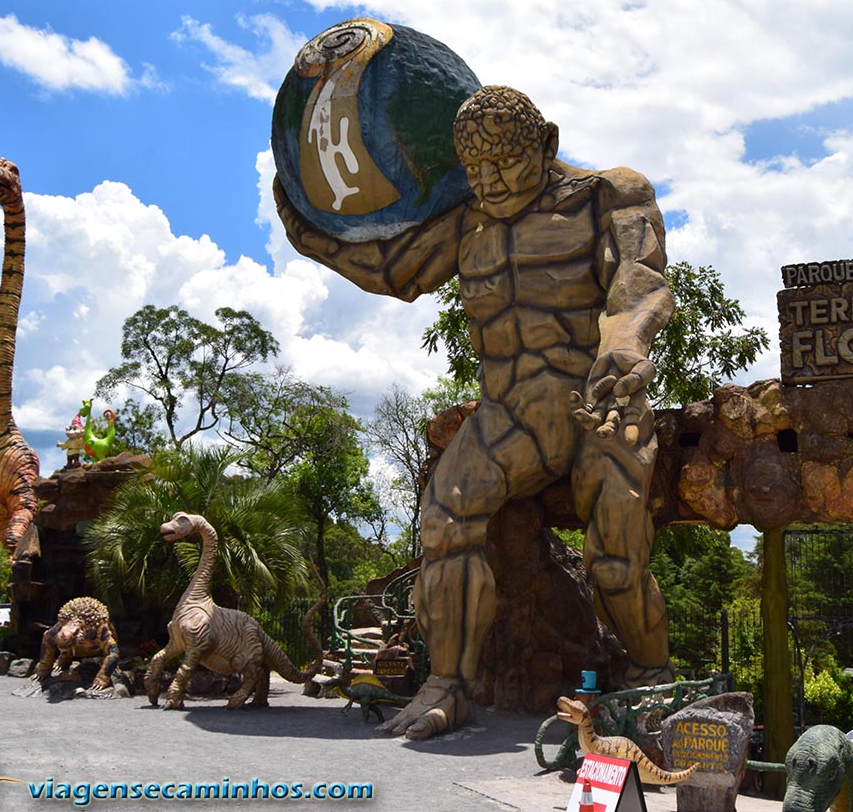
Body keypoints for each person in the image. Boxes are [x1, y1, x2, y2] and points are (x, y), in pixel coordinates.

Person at [275, 84, 675, 740]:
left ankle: (654, 677)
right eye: (476, 170)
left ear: (546, 142)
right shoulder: (469, 220)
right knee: (444, 520)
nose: (490, 183)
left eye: (505, 165)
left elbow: (642, 278)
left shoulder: (610, 191)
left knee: (615, 561)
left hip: (601, 404)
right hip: (511, 414)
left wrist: (626, 341)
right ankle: (448, 686)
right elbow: (391, 269)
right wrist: (309, 231)